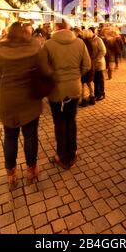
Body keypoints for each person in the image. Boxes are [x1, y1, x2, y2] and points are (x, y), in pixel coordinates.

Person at [0, 22, 52, 187]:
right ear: (25, 33)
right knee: (30, 136)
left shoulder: (1, 51)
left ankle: (11, 174)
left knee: (10, 137)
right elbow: (46, 71)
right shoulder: (34, 50)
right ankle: (31, 170)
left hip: (8, 100)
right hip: (29, 100)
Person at [43, 20, 91, 169]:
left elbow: (43, 68)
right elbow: (87, 65)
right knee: (71, 120)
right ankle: (73, 152)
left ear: (56, 27)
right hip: (74, 88)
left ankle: (62, 155)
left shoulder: (48, 44)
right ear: (68, 27)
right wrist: (76, 76)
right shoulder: (79, 43)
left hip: (56, 90)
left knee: (59, 122)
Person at [79, 29, 95, 107]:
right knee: (89, 82)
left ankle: (84, 99)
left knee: (82, 83)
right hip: (90, 64)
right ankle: (92, 97)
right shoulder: (91, 41)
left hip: (83, 64)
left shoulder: (82, 42)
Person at [90, 27, 107, 101]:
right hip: (93, 63)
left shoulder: (98, 39)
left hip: (99, 63)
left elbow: (103, 51)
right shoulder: (90, 39)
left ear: (93, 32)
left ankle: (101, 93)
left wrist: (97, 59)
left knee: (100, 79)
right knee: (95, 79)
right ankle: (96, 93)